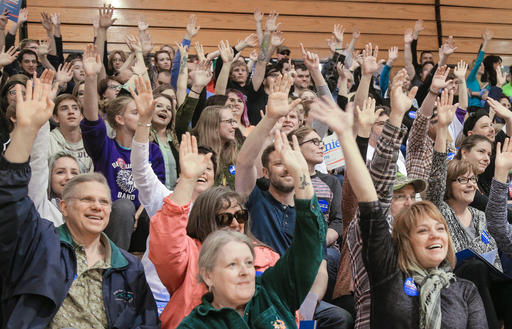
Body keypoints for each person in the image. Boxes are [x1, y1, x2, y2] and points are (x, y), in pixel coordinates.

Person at [308, 86, 488, 329]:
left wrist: (443, 130)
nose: (409, 201)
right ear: (407, 239)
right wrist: (390, 119)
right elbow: (375, 194)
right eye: (400, 195)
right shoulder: (385, 262)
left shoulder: (463, 290)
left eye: (412, 196)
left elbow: (435, 187)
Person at [0, 70, 159, 328]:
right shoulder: (39, 244)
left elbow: (146, 322)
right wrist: (28, 129)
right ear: (64, 206)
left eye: (104, 202)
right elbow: (10, 199)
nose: (97, 206)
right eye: (87, 200)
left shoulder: (129, 267)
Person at [236, 74, 352, 329]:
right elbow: (244, 163)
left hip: (299, 296)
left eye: (290, 164)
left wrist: (308, 303)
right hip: (261, 292)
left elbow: (319, 266)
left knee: (340, 318)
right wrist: (269, 120)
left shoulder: (308, 214)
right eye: (279, 164)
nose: (286, 169)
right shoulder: (256, 200)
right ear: (266, 172)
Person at [177, 129, 325, 329]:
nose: (245, 272)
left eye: (248, 263)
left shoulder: (272, 291)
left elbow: (310, 244)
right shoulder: (195, 325)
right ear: (208, 275)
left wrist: (301, 175)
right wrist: (187, 181)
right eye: (232, 265)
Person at [427, 89, 512, 329]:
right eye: (462, 180)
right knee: (474, 268)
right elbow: (436, 175)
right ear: (449, 184)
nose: (470, 184)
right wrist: (443, 129)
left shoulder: (479, 215)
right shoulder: (438, 210)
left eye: (472, 180)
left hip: (492, 281)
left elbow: (498, 224)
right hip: (455, 285)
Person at [80, 44, 165, 250]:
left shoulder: (153, 151)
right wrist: (91, 79)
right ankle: (115, 270)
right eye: (135, 112)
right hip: (110, 221)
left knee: (153, 210)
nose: (142, 115)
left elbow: (157, 190)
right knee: (124, 207)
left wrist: (139, 213)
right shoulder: (105, 147)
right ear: (119, 118)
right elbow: (92, 120)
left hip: (143, 222)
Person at [192, 105, 239, 188]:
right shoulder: (195, 154)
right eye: (229, 121)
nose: (235, 126)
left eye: (234, 121)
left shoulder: (236, 150)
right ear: (214, 125)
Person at [49, 94, 93, 173]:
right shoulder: (48, 141)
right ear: (55, 118)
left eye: (75, 108)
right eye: (64, 109)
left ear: (81, 116)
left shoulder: (92, 141)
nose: (71, 112)